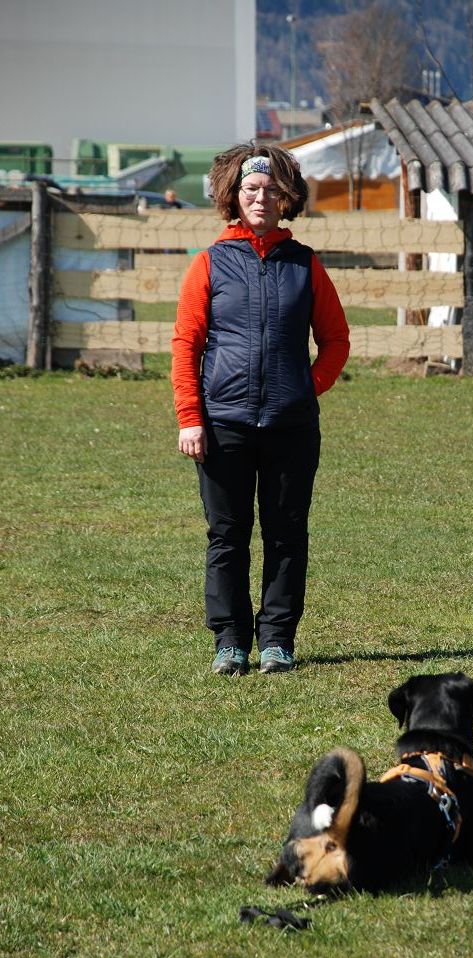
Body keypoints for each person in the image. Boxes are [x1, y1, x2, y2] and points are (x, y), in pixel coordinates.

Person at [171, 143, 350, 675]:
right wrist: (190, 417)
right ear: (233, 195)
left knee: (287, 534)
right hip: (222, 424)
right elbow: (185, 344)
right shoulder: (210, 262)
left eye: (272, 190)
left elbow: (336, 340)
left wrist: (306, 387)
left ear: (286, 198)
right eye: (251, 188)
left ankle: (277, 640)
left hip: (291, 427)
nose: (261, 198)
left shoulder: (305, 264)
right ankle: (229, 642)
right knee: (227, 536)